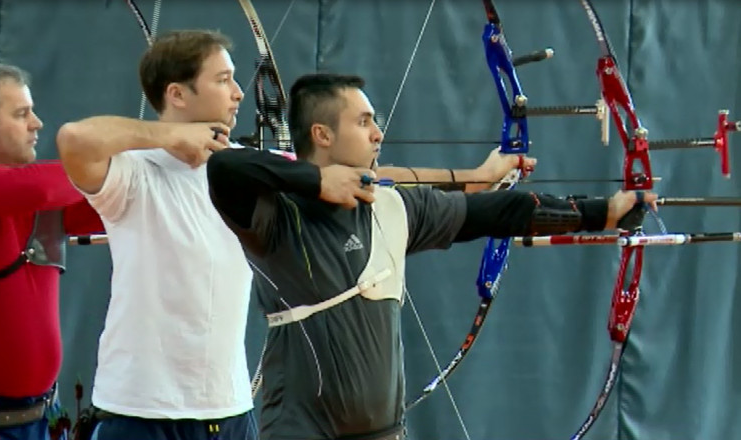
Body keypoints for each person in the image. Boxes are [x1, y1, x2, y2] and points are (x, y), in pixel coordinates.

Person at [56, 29, 530, 440]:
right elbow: (74, 139)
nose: (239, 92)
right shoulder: (132, 175)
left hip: (228, 407)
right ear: (177, 95)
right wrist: (170, 138)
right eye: (223, 80)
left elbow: (363, 177)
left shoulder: (256, 172)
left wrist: (469, 177)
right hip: (140, 409)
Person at [204, 72, 657, 440]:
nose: (378, 133)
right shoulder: (277, 218)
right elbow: (224, 167)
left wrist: (605, 211)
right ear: (321, 133)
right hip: (301, 431)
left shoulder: (395, 207)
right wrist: (318, 183)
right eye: (363, 122)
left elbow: (500, 210)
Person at [0, 63, 104, 440]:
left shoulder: (29, 188)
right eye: (21, 114)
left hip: (41, 416)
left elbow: (111, 205)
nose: (37, 123)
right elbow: (42, 188)